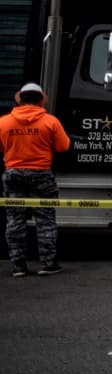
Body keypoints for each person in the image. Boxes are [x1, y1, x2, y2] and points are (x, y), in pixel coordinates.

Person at [1, 83, 71, 277]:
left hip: (13, 173)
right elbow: (64, 147)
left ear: (19, 99)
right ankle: (49, 264)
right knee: (45, 219)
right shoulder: (50, 122)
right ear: (41, 100)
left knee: (14, 220)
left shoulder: (4, 122)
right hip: (42, 174)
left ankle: (18, 266)